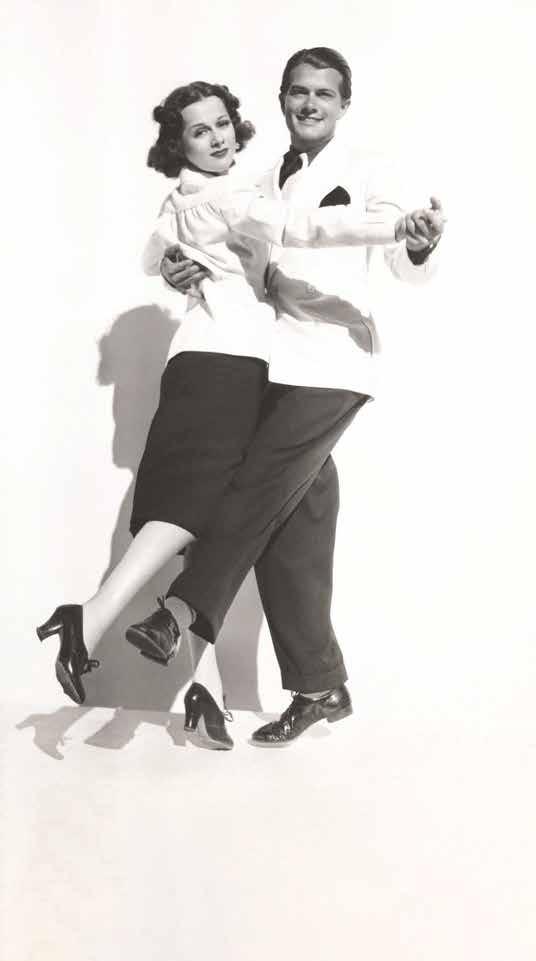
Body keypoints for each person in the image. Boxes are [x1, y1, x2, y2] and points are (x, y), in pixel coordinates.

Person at [36, 78, 407, 749]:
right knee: (212, 506)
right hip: (229, 363)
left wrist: (171, 259)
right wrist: (393, 224)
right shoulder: (235, 195)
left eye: (221, 124)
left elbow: (151, 251)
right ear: (177, 145)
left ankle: (247, 681)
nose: (215, 137)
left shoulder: (199, 193)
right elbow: (305, 227)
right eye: (198, 131)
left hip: (250, 365)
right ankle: (98, 618)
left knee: (289, 502)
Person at [128, 47, 445, 746]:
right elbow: (226, 255)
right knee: (295, 522)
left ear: (343, 103)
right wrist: (181, 269)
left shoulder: (370, 169)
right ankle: (319, 684)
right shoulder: (259, 176)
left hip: (334, 361)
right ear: (281, 101)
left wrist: (416, 241)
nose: (310, 104)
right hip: (269, 361)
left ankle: (178, 612)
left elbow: (402, 260)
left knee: (254, 487)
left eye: (324, 94)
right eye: (299, 92)